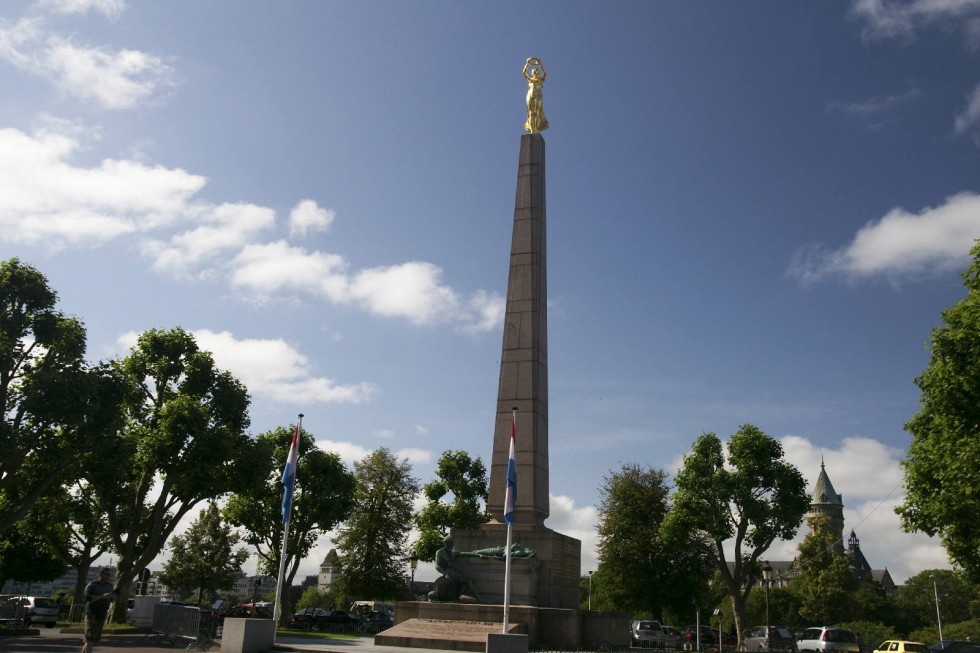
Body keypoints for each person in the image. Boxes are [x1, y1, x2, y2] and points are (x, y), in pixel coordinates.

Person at [82, 568, 116, 653]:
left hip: (102, 614)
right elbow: (88, 598)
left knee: (93, 639)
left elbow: (111, 600)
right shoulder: (92, 585)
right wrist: (103, 596)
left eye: (109, 575)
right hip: (91, 613)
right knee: (89, 638)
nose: (108, 577)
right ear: (100, 575)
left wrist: (113, 597)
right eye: (106, 574)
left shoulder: (109, 586)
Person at [523, 57, 549, 133]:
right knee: (531, 112)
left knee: (538, 111)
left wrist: (540, 64)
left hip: (538, 94)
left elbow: (545, 73)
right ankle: (532, 129)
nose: (535, 73)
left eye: (537, 71)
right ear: (532, 73)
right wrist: (527, 64)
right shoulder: (530, 80)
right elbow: (524, 72)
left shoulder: (541, 80)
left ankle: (537, 128)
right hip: (530, 94)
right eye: (534, 72)